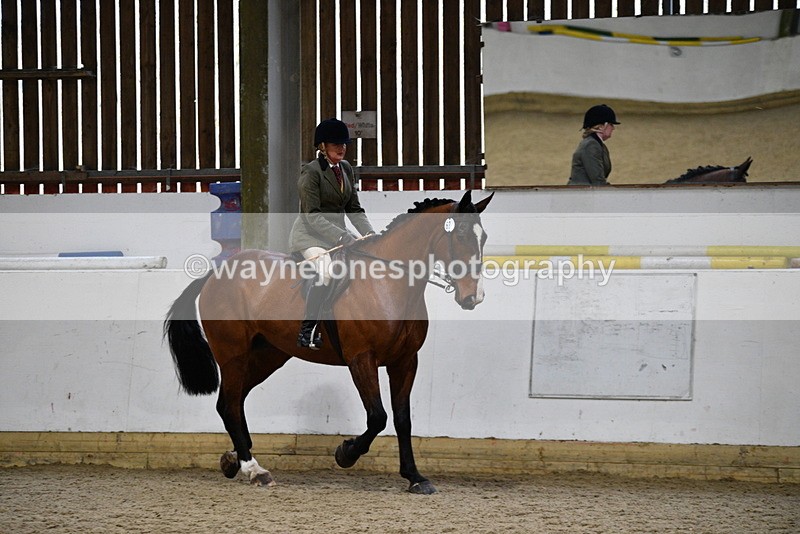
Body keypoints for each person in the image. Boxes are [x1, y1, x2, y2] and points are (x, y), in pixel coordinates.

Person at [289, 118, 375, 349]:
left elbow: (354, 209)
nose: (342, 147)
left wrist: (370, 234)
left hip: (338, 235)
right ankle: (307, 331)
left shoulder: (346, 169)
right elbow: (312, 216)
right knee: (326, 274)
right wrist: (342, 236)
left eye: (344, 143)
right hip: (310, 237)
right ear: (322, 147)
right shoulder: (311, 173)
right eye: (335, 143)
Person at [567, 104, 620, 186]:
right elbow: (597, 180)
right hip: (582, 194)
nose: (613, 128)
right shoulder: (591, 145)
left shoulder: (599, 145)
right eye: (611, 124)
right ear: (601, 127)